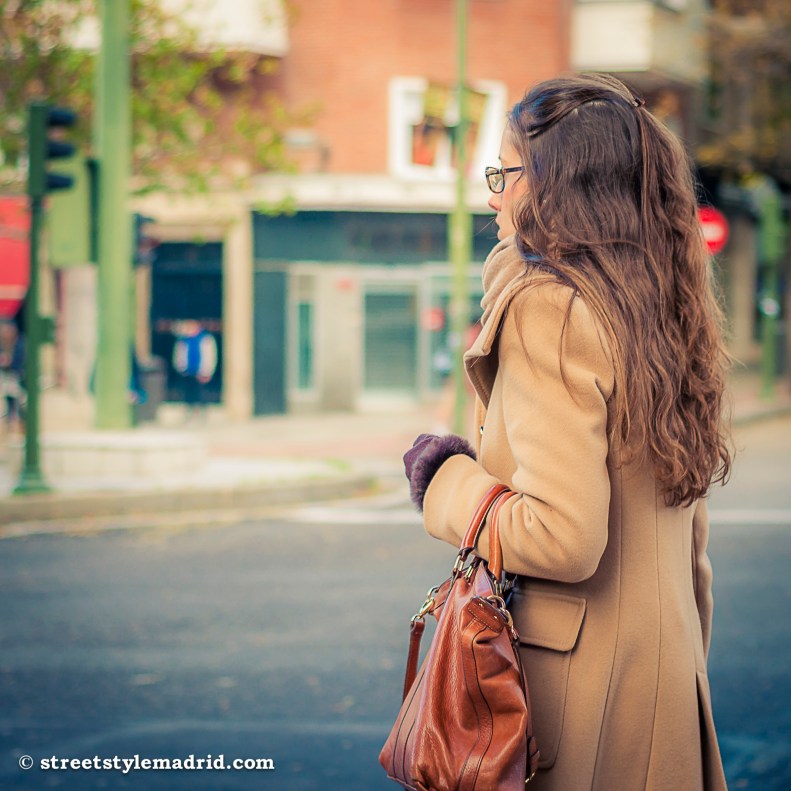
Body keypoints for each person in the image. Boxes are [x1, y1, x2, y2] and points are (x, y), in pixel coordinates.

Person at [403, 73, 732, 791]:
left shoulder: (548, 306)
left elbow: (562, 535)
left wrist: (445, 481)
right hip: (664, 682)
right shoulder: (656, 308)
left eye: (504, 173)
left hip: (574, 699)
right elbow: (691, 551)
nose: (492, 195)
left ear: (558, 184)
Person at [172, 320, 217, 416]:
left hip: (201, 371)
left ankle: (201, 412)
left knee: (201, 393)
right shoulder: (183, 340)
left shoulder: (205, 339)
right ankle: (189, 411)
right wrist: (180, 367)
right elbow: (179, 354)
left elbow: (210, 355)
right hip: (187, 371)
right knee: (188, 392)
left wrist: (207, 371)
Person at [0, 319, 25, 435]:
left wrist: (10, 362)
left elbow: (20, 362)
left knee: (20, 402)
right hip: (7, 379)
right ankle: (9, 424)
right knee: (9, 400)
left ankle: (21, 425)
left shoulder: (20, 344)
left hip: (19, 378)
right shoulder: (3, 345)